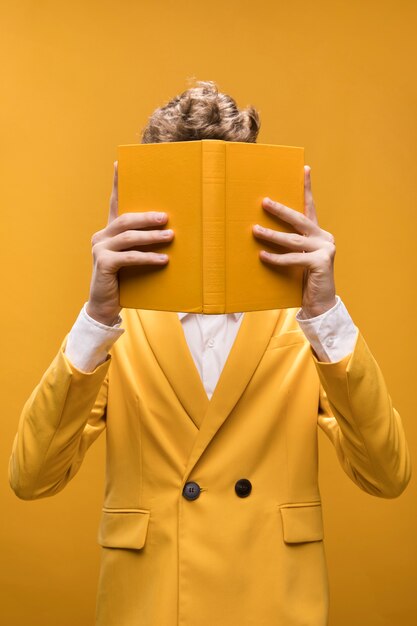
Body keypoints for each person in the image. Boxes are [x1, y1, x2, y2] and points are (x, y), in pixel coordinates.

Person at [9, 81, 411, 626]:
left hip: (275, 604)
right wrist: (96, 319)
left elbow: (387, 475)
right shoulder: (117, 325)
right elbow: (31, 478)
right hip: (148, 606)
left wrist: (327, 314)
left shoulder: (305, 322)